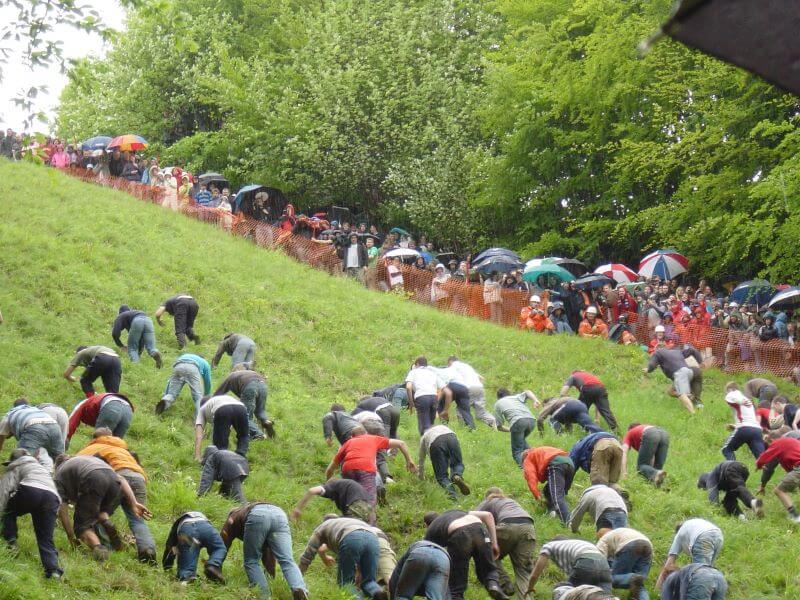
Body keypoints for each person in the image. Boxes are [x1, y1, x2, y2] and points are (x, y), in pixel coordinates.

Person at [75, 428, 157, 562]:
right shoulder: (123, 448)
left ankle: (106, 547)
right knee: (137, 518)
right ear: (111, 436)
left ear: (94, 438)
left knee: (97, 514)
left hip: (116, 477)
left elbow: (76, 462)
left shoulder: (94, 447)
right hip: (138, 477)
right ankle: (147, 550)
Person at [55, 454, 151, 561]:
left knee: (83, 527)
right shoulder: (87, 460)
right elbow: (122, 479)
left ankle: (99, 551)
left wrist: (71, 536)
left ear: (57, 466)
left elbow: (62, 510)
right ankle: (105, 520)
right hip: (114, 480)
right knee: (99, 515)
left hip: (93, 479)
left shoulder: (59, 474)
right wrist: (134, 503)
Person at [219, 501, 308, 599]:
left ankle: (264, 596)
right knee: (287, 560)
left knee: (251, 561)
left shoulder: (233, 516)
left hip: (258, 515)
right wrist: (270, 574)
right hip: (280, 515)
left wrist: (215, 564)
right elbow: (268, 552)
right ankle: (300, 589)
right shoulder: (245, 512)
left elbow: (222, 544)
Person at [0, 448, 63, 579]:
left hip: (31, 490)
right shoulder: (41, 468)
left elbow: (4, 491)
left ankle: (11, 542)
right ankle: (53, 571)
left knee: (8, 510)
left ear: (13, 460)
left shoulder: (16, 466)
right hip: (52, 498)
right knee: (46, 537)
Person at [423, 509, 508, 600]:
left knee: (456, 585)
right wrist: (494, 544)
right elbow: (488, 515)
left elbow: (426, 555)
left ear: (426, 525)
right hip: (480, 529)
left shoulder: (432, 529)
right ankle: (493, 585)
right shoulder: (454, 512)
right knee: (488, 569)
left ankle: (456, 597)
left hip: (460, 535)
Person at [299, 515, 389, 599]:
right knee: (369, 581)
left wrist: (297, 579)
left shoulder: (322, 527)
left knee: (345, 584)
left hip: (352, 537)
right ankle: (378, 592)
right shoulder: (345, 523)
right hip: (373, 539)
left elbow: (307, 556)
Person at [324, 427, 416, 505]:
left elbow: (330, 469)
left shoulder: (347, 443)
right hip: (366, 468)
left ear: (352, 437)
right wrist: (409, 460)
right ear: (366, 433)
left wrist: (328, 487)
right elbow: (401, 443)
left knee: (351, 496)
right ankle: (369, 518)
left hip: (347, 469)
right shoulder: (372, 438)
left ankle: (351, 513)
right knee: (369, 501)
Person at [476, 488, 536, 600]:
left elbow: (473, 518)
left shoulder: (489, 501)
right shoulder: (511, 502)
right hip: (529, 529)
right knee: (523, 572)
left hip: (508, 526)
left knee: (487, 551)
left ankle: (504, 583)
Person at [527, 536, 612, 595]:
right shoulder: (577, 544)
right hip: (604, 565)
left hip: (586, 562)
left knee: (568, 594)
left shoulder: (549, 546)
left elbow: (535, 574)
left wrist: (530, 588)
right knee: (605, 597)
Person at [655, 519, 724, 588]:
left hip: (702, 537)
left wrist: (657, 588)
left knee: (700, 576)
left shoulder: (679, 534)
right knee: (708, 570)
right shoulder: (692, 525)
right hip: (718, 535)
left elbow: (668, 565)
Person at [163, 510, 227, 583]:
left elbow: (170, 547)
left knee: (186, 570)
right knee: (219, 548)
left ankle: (188, 576)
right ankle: (213, 565)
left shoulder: (178, 523)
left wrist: (167, 567)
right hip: (206, 528)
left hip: (187, 531)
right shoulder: (202, 517)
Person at [212, 366, 273, 440]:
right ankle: (266, 421)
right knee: (260, 411)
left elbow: (218, 393)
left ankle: (258, 434)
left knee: (245, 416)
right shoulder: (250, 372)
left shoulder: (231, 376)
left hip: (250, 387)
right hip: (263, 386)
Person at [522, 446, 575, 524]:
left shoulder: (528, 458)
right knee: (547, 490)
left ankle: (568, 522)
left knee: (557, 496)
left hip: (556, 464)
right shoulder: (539, 451)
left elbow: (531, 481)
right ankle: (552, 511)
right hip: (570, 463)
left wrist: (538, 498)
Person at [596, 528, 652, 600]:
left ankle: (630, 578)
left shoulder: (603, 539)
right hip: (647, 545)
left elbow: (599, 559)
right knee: (639, 584)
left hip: (630, 544)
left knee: (612, 578)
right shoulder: (617, 533)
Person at [755, 435, 800, 522]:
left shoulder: (777, 443)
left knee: (779, 490)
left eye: (768, 446)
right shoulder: (790, 441)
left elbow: (764, 457)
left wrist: (758, 465)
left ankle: (795, 516)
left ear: (771, 440)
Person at [0, 399, 64, 460]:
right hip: (54, 426)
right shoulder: (35, 409)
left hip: (34, 427)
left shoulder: (9, 415)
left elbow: (1, 437)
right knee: (59, 459)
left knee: (22, 459)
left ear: (14, 407)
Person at [291, 478, 375, 524]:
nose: (332, 499)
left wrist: (298, 509)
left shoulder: (334, 485)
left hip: (356, 508)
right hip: (369, 512)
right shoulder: (349, 487)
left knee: (329, 520)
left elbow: (312, 490)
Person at [418, 424, 470, 499]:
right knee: (457, 464)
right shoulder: (444, 427)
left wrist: (421, 477)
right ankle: (456, 475)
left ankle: (453, 495)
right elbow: (455, 448)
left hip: (436, 442)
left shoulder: (424, 436)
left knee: (441, 476)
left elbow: (421, 459)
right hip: (452, 438)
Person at [697, 460, 763, 518]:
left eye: (704, 488)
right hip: (743, 470)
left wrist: (715, 510)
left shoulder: (710, 478)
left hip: (731, 468)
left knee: (738, 487)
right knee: (729, 501)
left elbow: (713, 498)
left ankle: (753, 502)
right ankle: (742, 518)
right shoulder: (722, 480)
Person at [643, 346, 700, 413]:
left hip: (680, 373)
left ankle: (693, 414)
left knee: (682, 395)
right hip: (689, 371)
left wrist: (648, 369)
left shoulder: (657, 353)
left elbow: (652, 364)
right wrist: (700, 362)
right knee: (670, 392)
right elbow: (690, 350)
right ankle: (691, 397)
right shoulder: (674, 351)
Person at [194, 395, 250, 461]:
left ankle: (222, 461)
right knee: (243, 435)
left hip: (222, 409)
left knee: (220, 447)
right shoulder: (218, 400)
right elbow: (229, 427)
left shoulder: (202, 409)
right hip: (241, 407)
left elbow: (199, 436)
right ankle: (241, 458)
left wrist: (197, 456)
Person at [447, 356, 497, 429]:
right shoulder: (466, 366)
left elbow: (448, 379)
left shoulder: (454, 366)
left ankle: (464, 429)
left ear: (450, 362)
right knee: (481, 413)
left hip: (469, 388)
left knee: (461, 409)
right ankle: (493, 422)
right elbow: (481, 378)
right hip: (479, 387)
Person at [493, 388, 539, 465]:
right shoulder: (515, 397)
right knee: (522, 443)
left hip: (518, 421)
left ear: (498, 397)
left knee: (517, 452)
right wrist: (535, 400)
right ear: (509, 394)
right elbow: (527, 391)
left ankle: (526, 470)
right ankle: (537, 462)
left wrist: (512, 430)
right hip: (531, 420)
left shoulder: (498, 403)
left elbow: (499, 426)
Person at [720, 382, 765, 460]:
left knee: (726, 449)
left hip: (744, 427)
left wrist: (741, 402)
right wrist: (735, 426)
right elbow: (748, 418)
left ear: (729, 389)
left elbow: (731, 397)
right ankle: (767, 468)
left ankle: (733, 469)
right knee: (762, 459)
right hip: (757, 429)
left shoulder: (732, 394)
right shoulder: (746, 398)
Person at [67, 392, 134, 442]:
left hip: (111, 406)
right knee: (115, 445)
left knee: (99, 442)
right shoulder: (95, 403)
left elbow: (69, 426)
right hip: (128, 410)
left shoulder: (83, 404)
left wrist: (64, 442)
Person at [405, 356, 442, 435]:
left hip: (421, 397)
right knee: (431, 423)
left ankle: (425, 442)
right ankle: (433, 441)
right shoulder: (432, 372)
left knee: (424, 424)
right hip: (433, 397)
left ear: (417, 364)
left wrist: (411, 403)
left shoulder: (413, 372)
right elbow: (442, 388)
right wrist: (437, 400)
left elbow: (408, 387)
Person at [539, 397, 604, 435]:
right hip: (581, 406)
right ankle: (604, 435)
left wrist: (541, 433)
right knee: (588, 425)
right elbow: (567, 418)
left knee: (551, 419)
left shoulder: (550, 403)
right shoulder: (560, 402)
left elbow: (540, 419)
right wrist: (569, 433)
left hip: (568, 406)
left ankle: (560, 435)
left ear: (545, 403)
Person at [659, 564, 727, 600]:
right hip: (719, 577)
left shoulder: (669, 578)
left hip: (701, 577)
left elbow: (666, 597)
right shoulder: (684, 574)